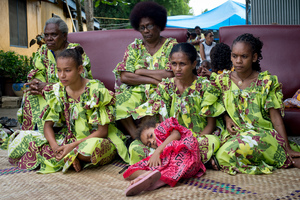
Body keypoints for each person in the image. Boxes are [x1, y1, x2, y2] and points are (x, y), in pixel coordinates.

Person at [1, 47, 129, 173]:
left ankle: (73, 156)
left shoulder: (96, 90)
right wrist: (55, 147)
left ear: (80, 69)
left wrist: (72, 147)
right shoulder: (58, 91)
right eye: (59, 70)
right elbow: (47, 126)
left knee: (90, 149)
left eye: (67, 70)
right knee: (21, 140)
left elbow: (102, 131)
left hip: (96, 139)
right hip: (69, 140)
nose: (62, 75)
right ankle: (69, 157)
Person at [213, 33, 300, 175]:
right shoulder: (222, 80)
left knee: (226, 154)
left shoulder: (266, 82)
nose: (238, 61)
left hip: (260, 133)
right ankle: (276, 157)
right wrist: (227, 118)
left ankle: (283, 154)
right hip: (233, 133)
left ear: (254, 57)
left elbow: (276, 119)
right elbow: (216, 106)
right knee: (213, 149)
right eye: (234, 56)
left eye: (244, 56)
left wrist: (287, 146)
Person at [130, 43, 225, 168]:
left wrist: (191, 142)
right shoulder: (165, 87)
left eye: (182, 64)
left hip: (198, 138)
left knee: (210, 143)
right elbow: (163, 125)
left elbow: (211, 124)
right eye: (174, 64)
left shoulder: (206, 87)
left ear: (193, 64)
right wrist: (167, 145)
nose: (177, 69)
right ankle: (191, 161)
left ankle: (174, 162)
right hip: (171, 140)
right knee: (135, 148)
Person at [17, 17, 92, 134]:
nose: (48, 39)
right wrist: (36, 83)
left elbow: (79, 79)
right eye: (46, 35)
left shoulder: (75, 51)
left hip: (72, 91)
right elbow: (39, 70)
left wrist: (49, 86)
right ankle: (32, 134)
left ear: (64, 35)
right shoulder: (43, 51)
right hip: (46, 91)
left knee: (54, 97)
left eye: (53, 35)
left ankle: (53, 133)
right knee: (30, 95)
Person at [113, 1, 177, 139]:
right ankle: (136, 137)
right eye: (142, 27)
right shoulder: (134, 47)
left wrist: (141, 71)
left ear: (159, 25)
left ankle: (158, 139)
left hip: (162, 91)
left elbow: (171, 73)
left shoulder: (171, 46)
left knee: (160, 102)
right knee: (116, 102)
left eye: (149, 26)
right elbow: (124, 76)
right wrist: (153, 80)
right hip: (137, 91)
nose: (146, 30)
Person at [123, 117, 205, 196]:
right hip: (179, 169)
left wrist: (158, 151)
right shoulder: (159, 150)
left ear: (157, 125)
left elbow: (177, 134)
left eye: (151, 136)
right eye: (149, 144)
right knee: (131, 171)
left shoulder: (162, 128)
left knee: (175, 159)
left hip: (188, 154)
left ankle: (158, 179)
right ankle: (147, 176)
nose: (152, 141)